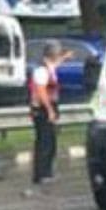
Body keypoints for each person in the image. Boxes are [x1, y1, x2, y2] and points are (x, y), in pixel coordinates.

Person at [29, 41, 72, 184]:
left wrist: (65, 57)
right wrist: (50, 110)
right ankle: (41, 175)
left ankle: (47, 172)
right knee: (44, 143)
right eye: (57, 54)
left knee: (51, 142)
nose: (58, 56)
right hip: (42, 110)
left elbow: (57, 63)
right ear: (51, 55)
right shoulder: (41, 71)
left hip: (47, 108)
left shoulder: (50, 67)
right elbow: (41, 92)